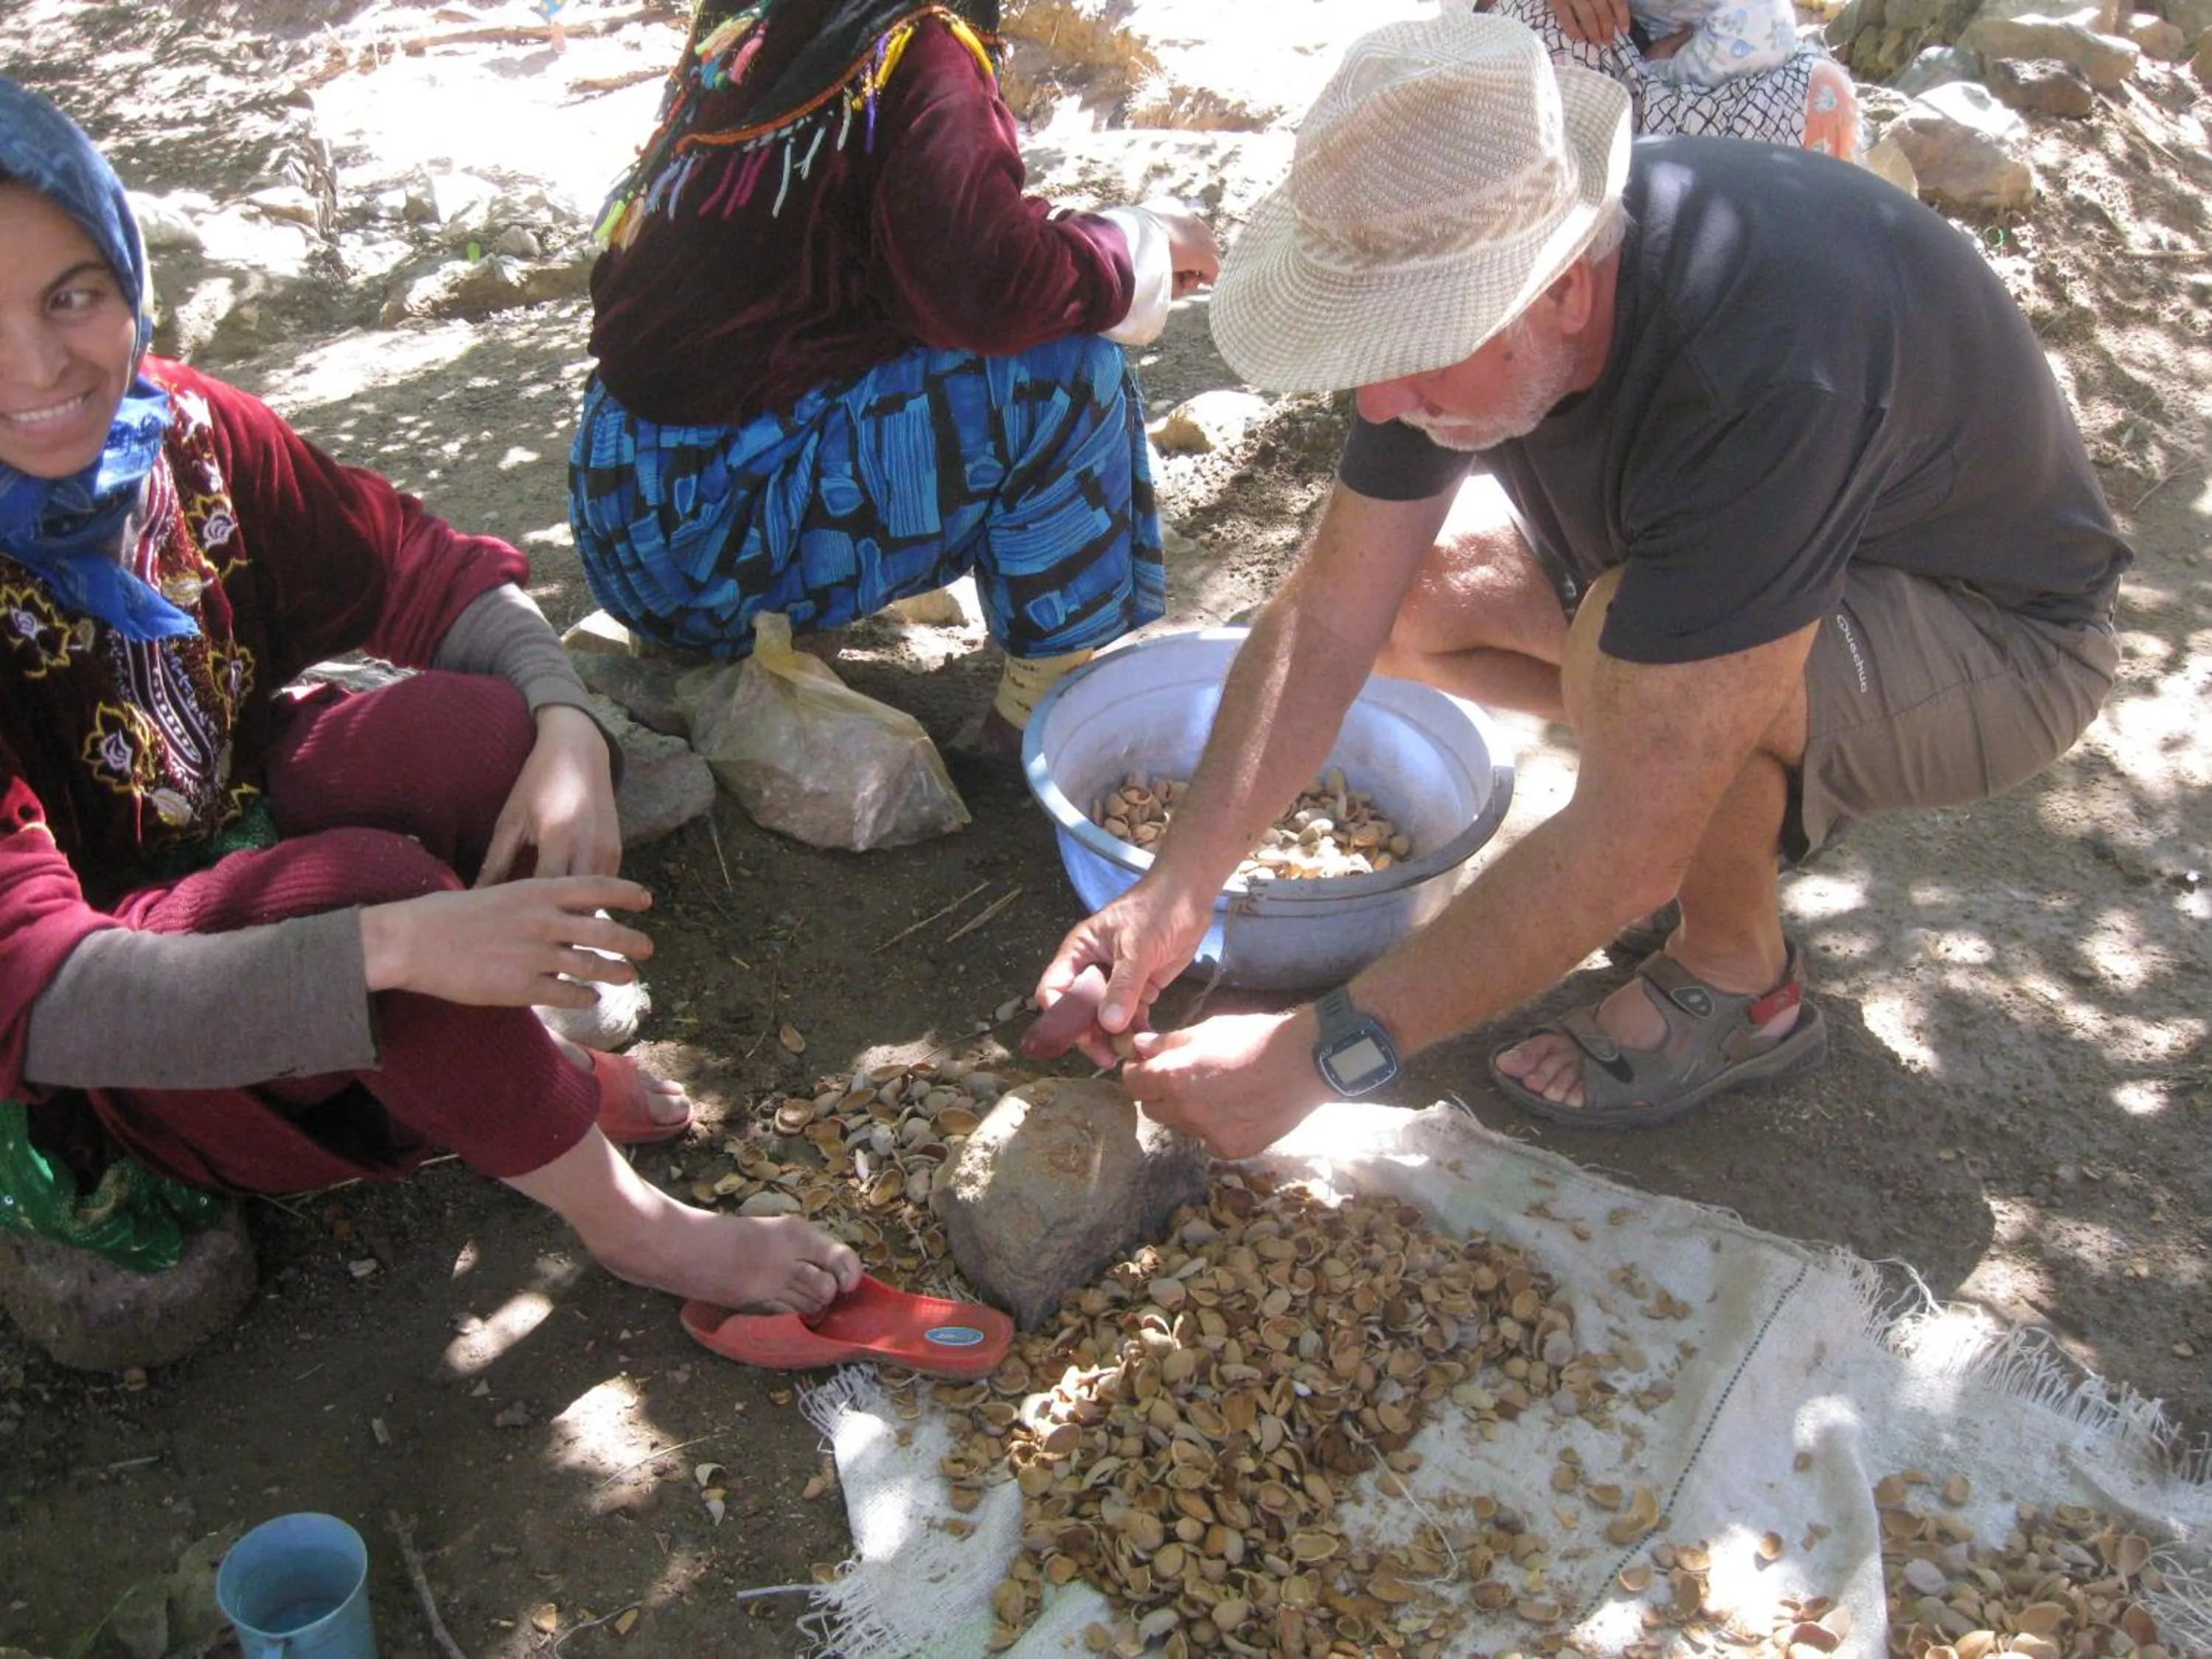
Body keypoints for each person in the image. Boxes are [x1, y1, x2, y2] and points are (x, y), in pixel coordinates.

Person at [1030, 13, 2127, 1158]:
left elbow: (1632, 835)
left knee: (1633, 669)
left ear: (1560, 287)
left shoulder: (1762, 362)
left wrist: (1324, 1048)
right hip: (1787, 561)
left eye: (1408, 345)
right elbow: (1330, 617)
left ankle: (1741, 982)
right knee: (1429, 602)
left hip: (2004, 640)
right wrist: (1174, 892)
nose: (1376, 402)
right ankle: (1735, 774)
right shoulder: (1468, 269)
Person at [0, 77, 862, 1349]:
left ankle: (523, 1079)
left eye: (69, 291)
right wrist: (396, 947)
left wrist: (568, 725)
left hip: (222, 835)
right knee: (370, 894)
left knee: (479, 737)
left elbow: (418, 564)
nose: (33, 364)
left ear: (125, 270)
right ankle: (627, 1223)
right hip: (107, 1044)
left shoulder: (178, 429)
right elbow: (45, 993)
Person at [569, 0, 1222, 759]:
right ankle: (1045, 712)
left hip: (627, 515)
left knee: (1011, 329)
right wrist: (1142, 242)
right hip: (711, 549)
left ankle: (777, 599)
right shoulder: (920, 45)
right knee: (1068, 373)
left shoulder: (763, 21)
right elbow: (988, 291)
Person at [1475, 0, 1860, 162]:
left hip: (1701, 85)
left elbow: (1763, 33)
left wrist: (1665, 68)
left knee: (1825, 94)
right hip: (1602, 71)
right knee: (1525, 40)